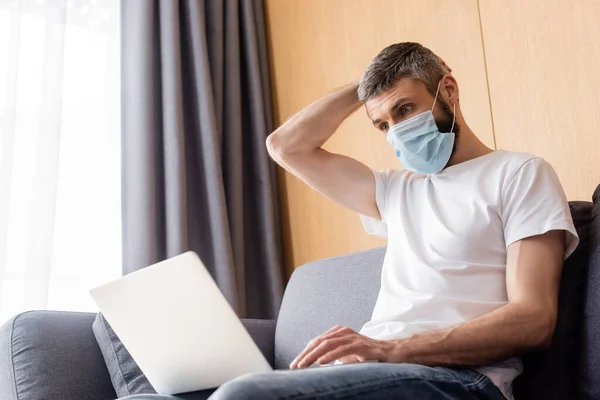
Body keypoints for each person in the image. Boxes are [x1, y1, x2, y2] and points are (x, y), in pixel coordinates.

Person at [128, 42, 579, 400]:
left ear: (449, 90)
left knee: (245, 394)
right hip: (375, 372)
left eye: (404, 109)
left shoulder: (519, 173)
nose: (397, 132)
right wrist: (366, 83)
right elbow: (286, 146)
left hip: (459, 381)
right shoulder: (395, 191)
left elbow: (533, 318)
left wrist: (388, 349)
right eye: (382, 125)